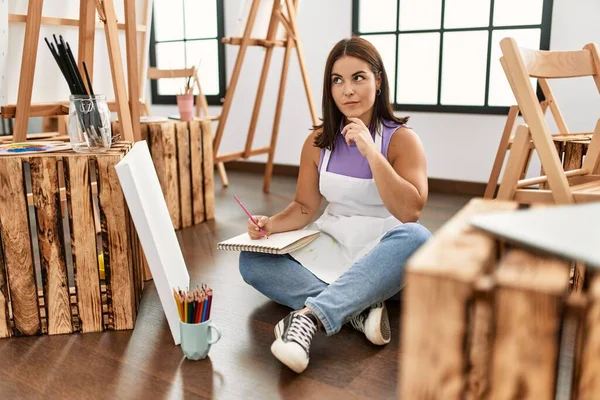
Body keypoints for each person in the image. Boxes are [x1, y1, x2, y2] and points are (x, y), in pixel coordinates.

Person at [238, 36, 432, 373]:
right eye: (337, 80)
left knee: (418, 238)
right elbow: (303, 206)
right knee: (252, 260)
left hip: (384, 256)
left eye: (358, 77)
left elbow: (409, 211)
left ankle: (310, 316)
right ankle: (356, 309)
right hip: (334, 245)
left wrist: (372, 152)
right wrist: (269, 224)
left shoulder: (402, 140)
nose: (348, 91)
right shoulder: (317, 142)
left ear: (378, 81)